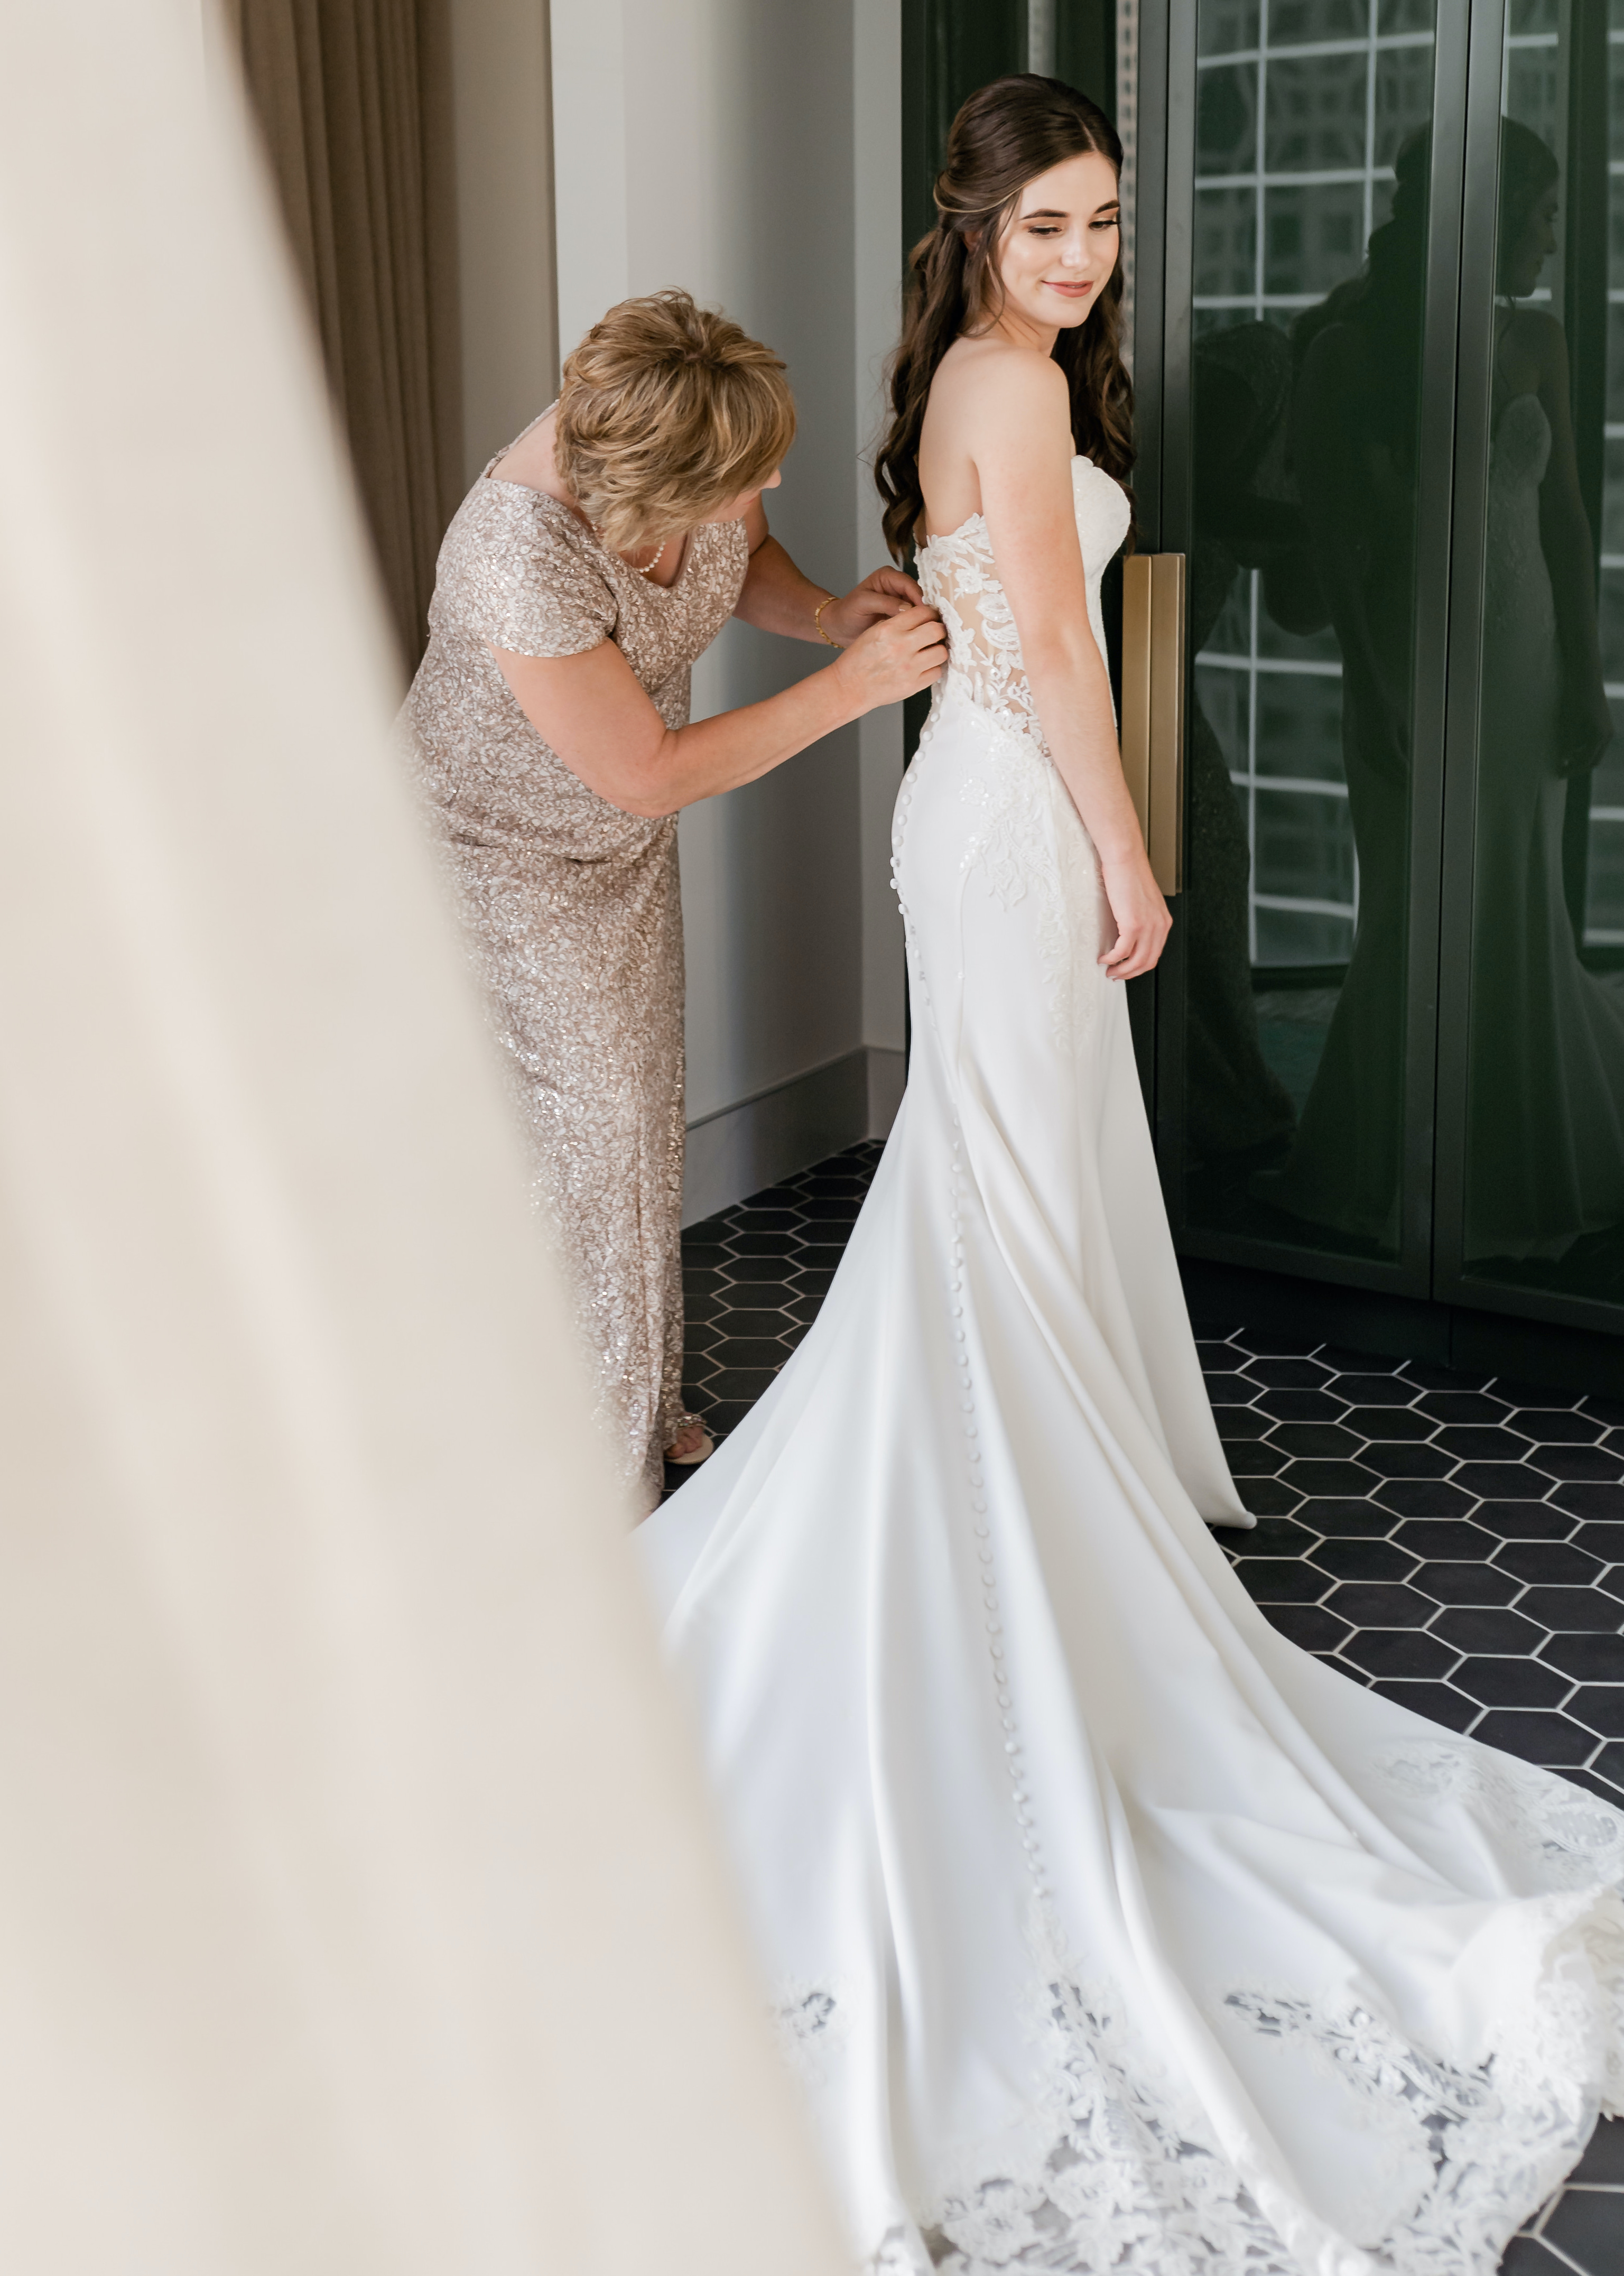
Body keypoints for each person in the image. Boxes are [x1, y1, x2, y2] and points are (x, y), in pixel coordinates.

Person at [640, 77, 1624, 2273]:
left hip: (979, 808)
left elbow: (982, 601)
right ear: (977, 228)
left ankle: (1027, 1539)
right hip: (1003, 831)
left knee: (1002, 1212)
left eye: (1103, 227)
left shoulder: (1005, 376)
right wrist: (1124, 842)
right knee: (987, 1210)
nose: (1083, 260)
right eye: (1051, 224)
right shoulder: (1003, 378)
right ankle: (988, 1581)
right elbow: (1058, 654)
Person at [400, 291, 943, 1513]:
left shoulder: (675, 425)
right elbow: (646, 771)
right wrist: (855, 688)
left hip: (609, 851)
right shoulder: (514, 554)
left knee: (636, 1125)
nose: (779, 477)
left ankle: (629, 1392)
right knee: (577, 1141)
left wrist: (823, 618)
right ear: (644, 484)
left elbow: (737, 553)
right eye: (752, 470)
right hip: (486, 858)